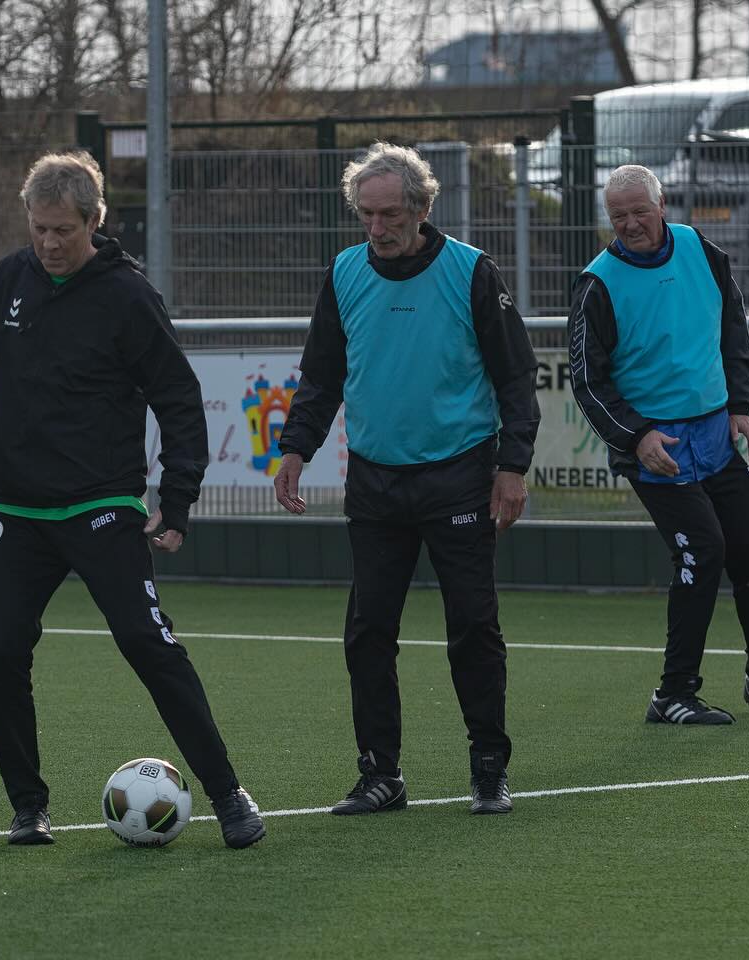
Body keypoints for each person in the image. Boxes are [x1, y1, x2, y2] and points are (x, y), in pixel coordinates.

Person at [0, 150, 265, 849]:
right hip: (18, 512)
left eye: (63, 230)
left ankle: (228, 795)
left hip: (103, 507)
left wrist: (178, 499)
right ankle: (28, 807)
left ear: (95, 221)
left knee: (147, 643)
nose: (48, 243)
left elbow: (180, 402)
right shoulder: (9, 281)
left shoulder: (128, 297)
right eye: (38, 228)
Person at [275, 142, 539, 816]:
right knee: (367, 632)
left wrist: (511, 468)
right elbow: (321, 375)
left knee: (474, 627)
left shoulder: (471, 272)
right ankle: (379, 774)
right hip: (375, 482)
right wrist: (296, 448)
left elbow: (515, 377)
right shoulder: (342, 274)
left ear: (421, 210)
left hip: (459, 476)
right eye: (367, 214)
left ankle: (488, 769)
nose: (377, 227)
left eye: (390, 213)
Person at [568, 163, 749, 725]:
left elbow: (733, 328)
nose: (630, 224)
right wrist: (636, 436)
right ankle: (673, 693)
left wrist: (740, 407)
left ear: (662, 206)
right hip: (657, 446)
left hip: (717, 432)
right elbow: (588, 381)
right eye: (618, 216)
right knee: (701, 552)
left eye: (639, 211)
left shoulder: (702, 250)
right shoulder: (596, 283)